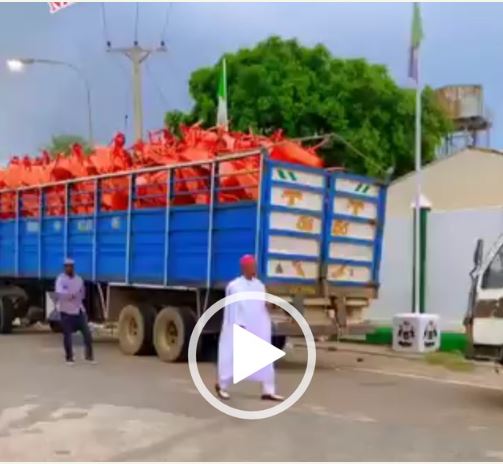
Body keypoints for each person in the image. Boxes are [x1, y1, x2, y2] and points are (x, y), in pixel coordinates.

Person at [216, 254, 284, 402]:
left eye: (254, 266)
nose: (253, 269)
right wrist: (239, 325)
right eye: (250, 266)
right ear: (244, 268)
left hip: (258, 326)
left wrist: (268, 314)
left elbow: (262, 304)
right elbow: (232, 309)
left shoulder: (259, 285)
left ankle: (268, 390)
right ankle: (222, 385)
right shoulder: (234, 286)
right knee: (232, 357)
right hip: (239, 326)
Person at [54, 258, 95, 364]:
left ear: (73, 267)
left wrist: (75, 296)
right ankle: (69, 358)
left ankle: (89, 356)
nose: (69, 268)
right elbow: (61, 294)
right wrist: (71, 295)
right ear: (64, 268)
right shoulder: (61, 279)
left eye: (71, 266)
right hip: (65, 311)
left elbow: (82, 294)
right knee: (67, 335)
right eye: (67, 266)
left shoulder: (79, 279)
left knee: (87, 333)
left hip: (78, 309)